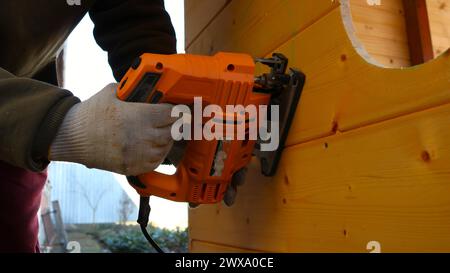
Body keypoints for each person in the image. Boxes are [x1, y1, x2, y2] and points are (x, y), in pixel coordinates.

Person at [0, 0, 244, 253]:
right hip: (24, 125)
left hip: (21, 146)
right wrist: (65, 126)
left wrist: (167, 100)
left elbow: (130, 15)